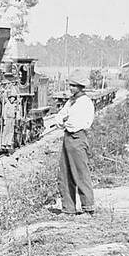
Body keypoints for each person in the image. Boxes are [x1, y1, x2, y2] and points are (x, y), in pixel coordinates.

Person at [48, 74, 96, 215]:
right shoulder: (71, 101)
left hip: (77, 137)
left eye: (73, 86)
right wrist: (62, 119)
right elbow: (60, 116)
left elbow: (75, 123)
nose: (70, 88)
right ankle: (68, 208)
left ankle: (88, 208)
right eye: (70, 85)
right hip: (68, 138)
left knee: (80, 173)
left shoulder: (85, 102)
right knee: (65, 174)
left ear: (80, 87)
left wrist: (64, 120)